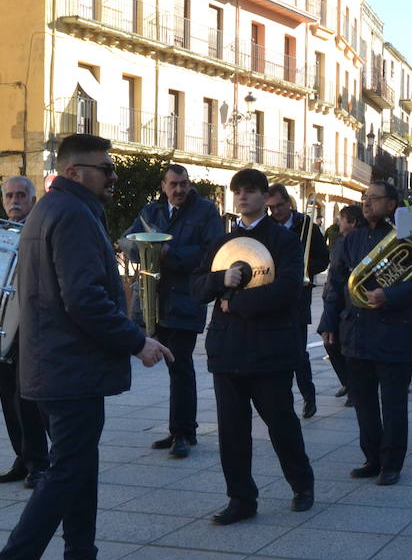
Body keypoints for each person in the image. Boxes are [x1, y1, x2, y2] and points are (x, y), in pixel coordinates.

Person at [0, 134, 173, 560]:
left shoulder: (52, 210)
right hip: (71, 368)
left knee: (79, 464)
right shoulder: (74, 215)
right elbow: (84, 299)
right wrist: (136, 341)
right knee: (67, 470)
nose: (113, 176)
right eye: (107, 169)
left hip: (56, 364)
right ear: (78, 171)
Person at [192, 169, 313, 524]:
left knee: (281, 422)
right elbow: (196, 287)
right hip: (227, 349)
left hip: (269, 348)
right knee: (232, 430)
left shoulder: (284, 240)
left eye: (249, 191)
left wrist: (236, 303)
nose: (242, 197)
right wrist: (219, 279)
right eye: (237, 192)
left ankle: (302, 484)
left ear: (264, 196)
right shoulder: (221, 242)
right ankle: (241, 498)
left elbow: (290, 288)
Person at [319, 181, 412, 485]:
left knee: (393, 403)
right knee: (363, 401)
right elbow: (337, 284)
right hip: (356, 330)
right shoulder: (350, 240)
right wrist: (329, 322)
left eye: (374, 199)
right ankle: (372, 456)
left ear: (392, 204)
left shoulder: (410, 234)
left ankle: (392, 462)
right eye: (365, 198)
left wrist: (390, 296)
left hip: (395, 331)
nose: (366, 203)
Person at [121, 164, 221, 458]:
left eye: (184, 183)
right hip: (155, 299)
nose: (179, 189)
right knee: (173, 367)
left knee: (180, 365)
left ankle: (183, 433)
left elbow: (212, 251)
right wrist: (142, 250)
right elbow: (128, 239)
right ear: (163, 185)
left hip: (187, 299)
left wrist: (171, 254)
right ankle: (179, 428)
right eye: (173, 184)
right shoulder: (151, 212)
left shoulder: (205, 211)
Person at [0, 176, 49, 489]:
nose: (15, 201)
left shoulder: (38, 232)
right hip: (0, 323)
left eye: (21, 195)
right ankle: (23, 457)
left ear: (32, 199)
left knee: (27, 397)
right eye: (10, 196)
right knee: (8, 396)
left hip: (30, 325)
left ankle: (39, 462)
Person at [266, 183, 329, 419]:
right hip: (273, 293)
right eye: (270, 208)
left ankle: (308, 397)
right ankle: (283, 401)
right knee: (275, 350)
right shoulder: (268, 226)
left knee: (298, 351)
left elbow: (323, 259)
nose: (275, 212)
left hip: (299, 295)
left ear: (288, 203)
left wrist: (300, 269)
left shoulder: (306, 225)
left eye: (279, 206)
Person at [322, 204, 362, 403]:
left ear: (352, 222)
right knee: (330, 342)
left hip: (344, 300)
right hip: (333, 298)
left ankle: (354, 386)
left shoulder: (351, 242)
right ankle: (347, 382)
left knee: (342, 344)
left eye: (342, 219)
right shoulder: (339, 241)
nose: (339, 222)